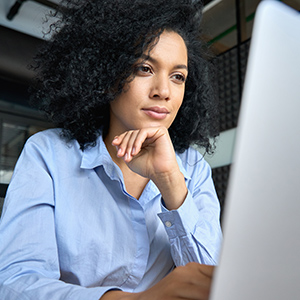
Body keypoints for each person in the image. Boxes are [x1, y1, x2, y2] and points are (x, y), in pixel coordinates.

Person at [0, 0, 222, 299]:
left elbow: (212, 283)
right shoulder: (48, 154)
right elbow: (17, 282)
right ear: (107, 76)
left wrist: (170, 180)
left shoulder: (192, 168)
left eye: (178, 76)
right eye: (144, 68)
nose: (164, 91)